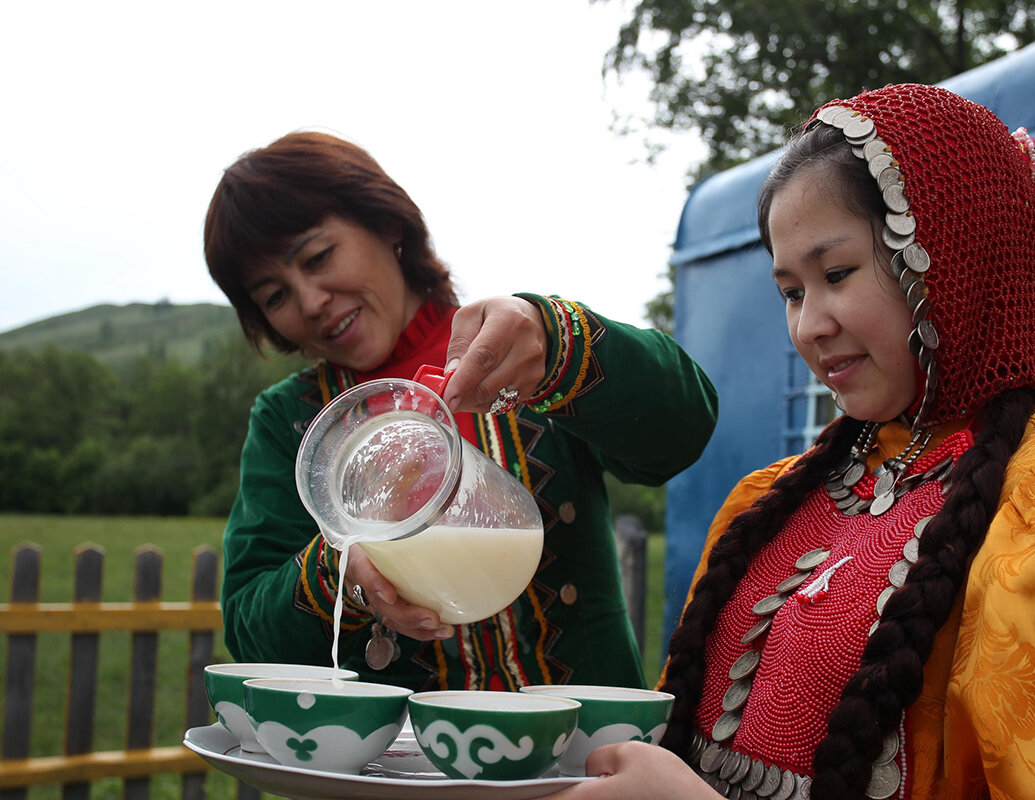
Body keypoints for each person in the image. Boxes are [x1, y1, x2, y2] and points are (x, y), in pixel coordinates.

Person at [545, 84, 1035, 799]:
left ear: (950, 257)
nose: (808, 325)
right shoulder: (768, 501)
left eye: (836, 274)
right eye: (790, 290)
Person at [202, 131, 718, 691]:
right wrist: (338, 575)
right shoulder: (290, 422)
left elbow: (685, 428)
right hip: (400, 769)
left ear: (388, 225)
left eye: (318, 256)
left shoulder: (517, 348)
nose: (310, 301)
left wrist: (557, 344)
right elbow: (251, 635)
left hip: (588, 759)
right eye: (274, 296)